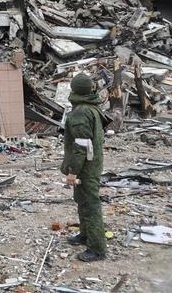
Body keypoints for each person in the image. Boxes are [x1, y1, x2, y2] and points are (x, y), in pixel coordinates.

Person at [61, 73, 106, 262]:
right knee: (82, 201)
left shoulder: (80, 112)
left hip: (85, 167)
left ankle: (96, 248)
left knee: (90, 205)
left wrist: (72, 171)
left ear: (74, 90)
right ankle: (85, 234)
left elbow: (81, 146)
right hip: (91, 164)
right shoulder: (92, 108)